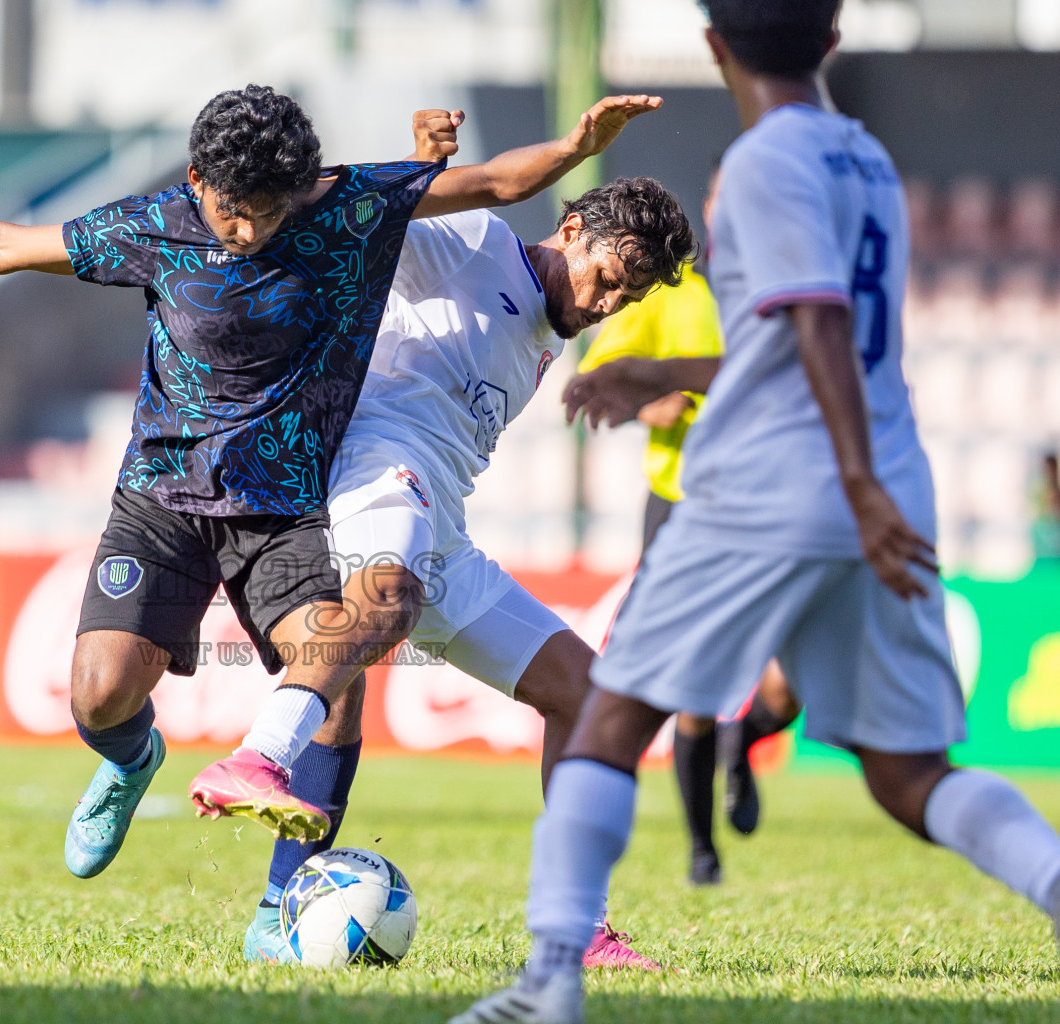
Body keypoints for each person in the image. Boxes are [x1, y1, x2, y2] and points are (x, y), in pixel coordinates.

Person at [0, 85, 666, 881]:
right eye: (236, 212)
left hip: (302, 503)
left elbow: (468, 184)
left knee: (402, 682)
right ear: (198, 183)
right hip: (191, 487)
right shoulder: (168, 227)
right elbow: (5, 245)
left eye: (269, 211)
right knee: (105, 691)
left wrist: (544, 153)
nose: (251, 231)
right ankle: (149, 756)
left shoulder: (330, 212)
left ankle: (307, 904)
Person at [454, 3, 1060, 1021]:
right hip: (882, 469)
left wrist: (848, 479)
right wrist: (669, 370)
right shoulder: (864, 161)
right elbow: (808, 332)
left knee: (604, 718)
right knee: (907, 770)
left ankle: (549, 981)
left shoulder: (760, 165)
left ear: (712, 49)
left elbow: (812, 320)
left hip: (777, 483)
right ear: (829, 43)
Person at [240, 174, 694, 969]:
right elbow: (361, 215)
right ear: (573, 228)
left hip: (440, 528)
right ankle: (260, 763)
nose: (607, 306)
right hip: (376, 473)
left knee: (581, 694)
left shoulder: (545, 334)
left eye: (629, 299)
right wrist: (291, 187)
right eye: (608, 280)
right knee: (371, 624)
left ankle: (572, 928)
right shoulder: (476, 245)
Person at [575, 189, 799, 887]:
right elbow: (598, 373)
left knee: (790, 689)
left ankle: (746, 739)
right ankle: (702, 853)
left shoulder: (796, 298)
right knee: (693, 681)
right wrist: (649, 402)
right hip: (685, 508)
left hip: (781, 507)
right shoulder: (673, 297)